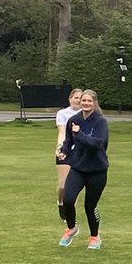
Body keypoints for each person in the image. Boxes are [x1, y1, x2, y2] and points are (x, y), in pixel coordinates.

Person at [57, 89, 109, 250]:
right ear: (80, 103)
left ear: (94, 103)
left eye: (89, 101)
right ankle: (71, 228)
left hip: (97, 170)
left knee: (90, 206)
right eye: (83, 101)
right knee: (68, 199)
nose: (86, 103)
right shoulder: (73, 120)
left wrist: (80, 134)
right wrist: (64, 151)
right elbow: (68, 140)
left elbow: (98, 144)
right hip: (78, 167)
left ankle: (94, 237)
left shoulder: (100, 121)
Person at [54, 87, 83, 222]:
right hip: (65, 150)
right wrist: (60, 146)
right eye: (75, 97)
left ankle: (71, 214)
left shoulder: (86, 114)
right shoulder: (62, 113)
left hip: (80, 152)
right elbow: (62, 132)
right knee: (63, 185)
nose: (77, 100)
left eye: (80, 98)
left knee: (74, 185)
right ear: (70, 99)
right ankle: (61, 203)